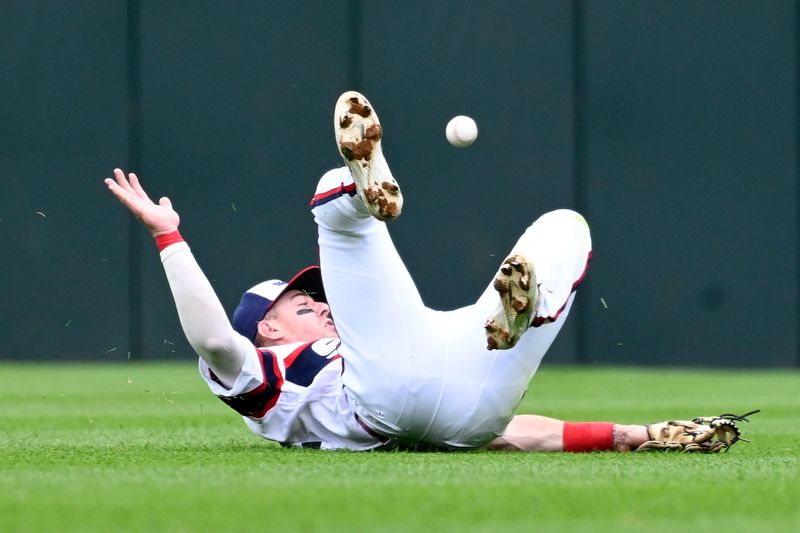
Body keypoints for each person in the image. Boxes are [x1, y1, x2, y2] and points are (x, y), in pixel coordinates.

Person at [103, 91, 714, 453]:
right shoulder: (260, 372)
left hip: (471, 414)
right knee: (333, 210)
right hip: (381, 396)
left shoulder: (350, 334)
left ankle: (518, 308)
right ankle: (363, 195)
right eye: (298, 302)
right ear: (265, 328)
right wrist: (168, 235)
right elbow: (211, 338)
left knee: (564, 226)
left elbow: (519, 436)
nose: (318, 303)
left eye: (313, 297)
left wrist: (629, 434)